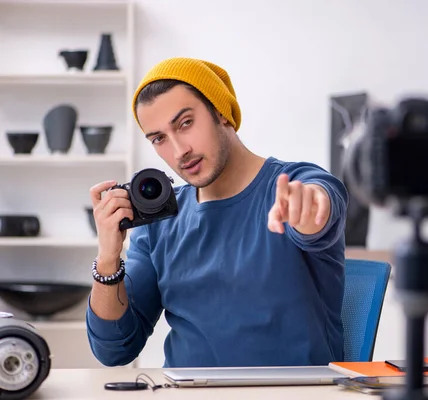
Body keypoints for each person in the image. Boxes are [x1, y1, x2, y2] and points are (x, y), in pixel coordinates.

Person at [85, 57, 349, 368]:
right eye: (159, 139)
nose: (179, 150)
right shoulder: (158, 223)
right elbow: (114, 350)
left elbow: (320, 205)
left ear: (221, 112)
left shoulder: (295, 186)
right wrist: (107, 260)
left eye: (185, 123)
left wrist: (311, 211)